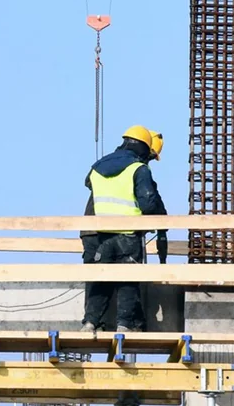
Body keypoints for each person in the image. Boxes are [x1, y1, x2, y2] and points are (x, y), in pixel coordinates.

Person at [79, 125, 168, 333]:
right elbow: (148, 202)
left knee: (99, 278)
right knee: (128, 280)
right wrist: (159, 220)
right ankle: (125, 325)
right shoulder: (138, 169)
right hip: (127, 232)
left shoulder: (98, 166)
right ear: (145, 149)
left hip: (100, 232)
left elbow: (90, 184)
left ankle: (91, 323)